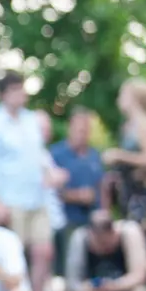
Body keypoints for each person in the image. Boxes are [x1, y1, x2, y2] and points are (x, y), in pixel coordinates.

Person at [0, 71, 55, 291]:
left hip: (38, 198)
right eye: (14, 90)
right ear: (2, 95)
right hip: (10, 200)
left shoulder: (31, 120)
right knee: (14, 254)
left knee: (44, 251)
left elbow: (39, 155)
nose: (20, 95)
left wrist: (50, 174)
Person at [100, 79, 146, 233]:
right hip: (127, 195)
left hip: (142, 198)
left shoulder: (145, 125)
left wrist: (118, 155)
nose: (118, 99)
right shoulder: (128, 127)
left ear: (134, 98)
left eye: (122, 94)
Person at [49, 107, 106, 265]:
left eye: (87, 129)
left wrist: (104, 211)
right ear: (70, 128)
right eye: (80, 129)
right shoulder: (56, 155)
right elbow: (49, 190)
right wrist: (77, 196)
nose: (83, 134)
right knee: (72, 263)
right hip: (67, 221)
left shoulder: (94, 155)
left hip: (93, 222)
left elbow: (101, 185)